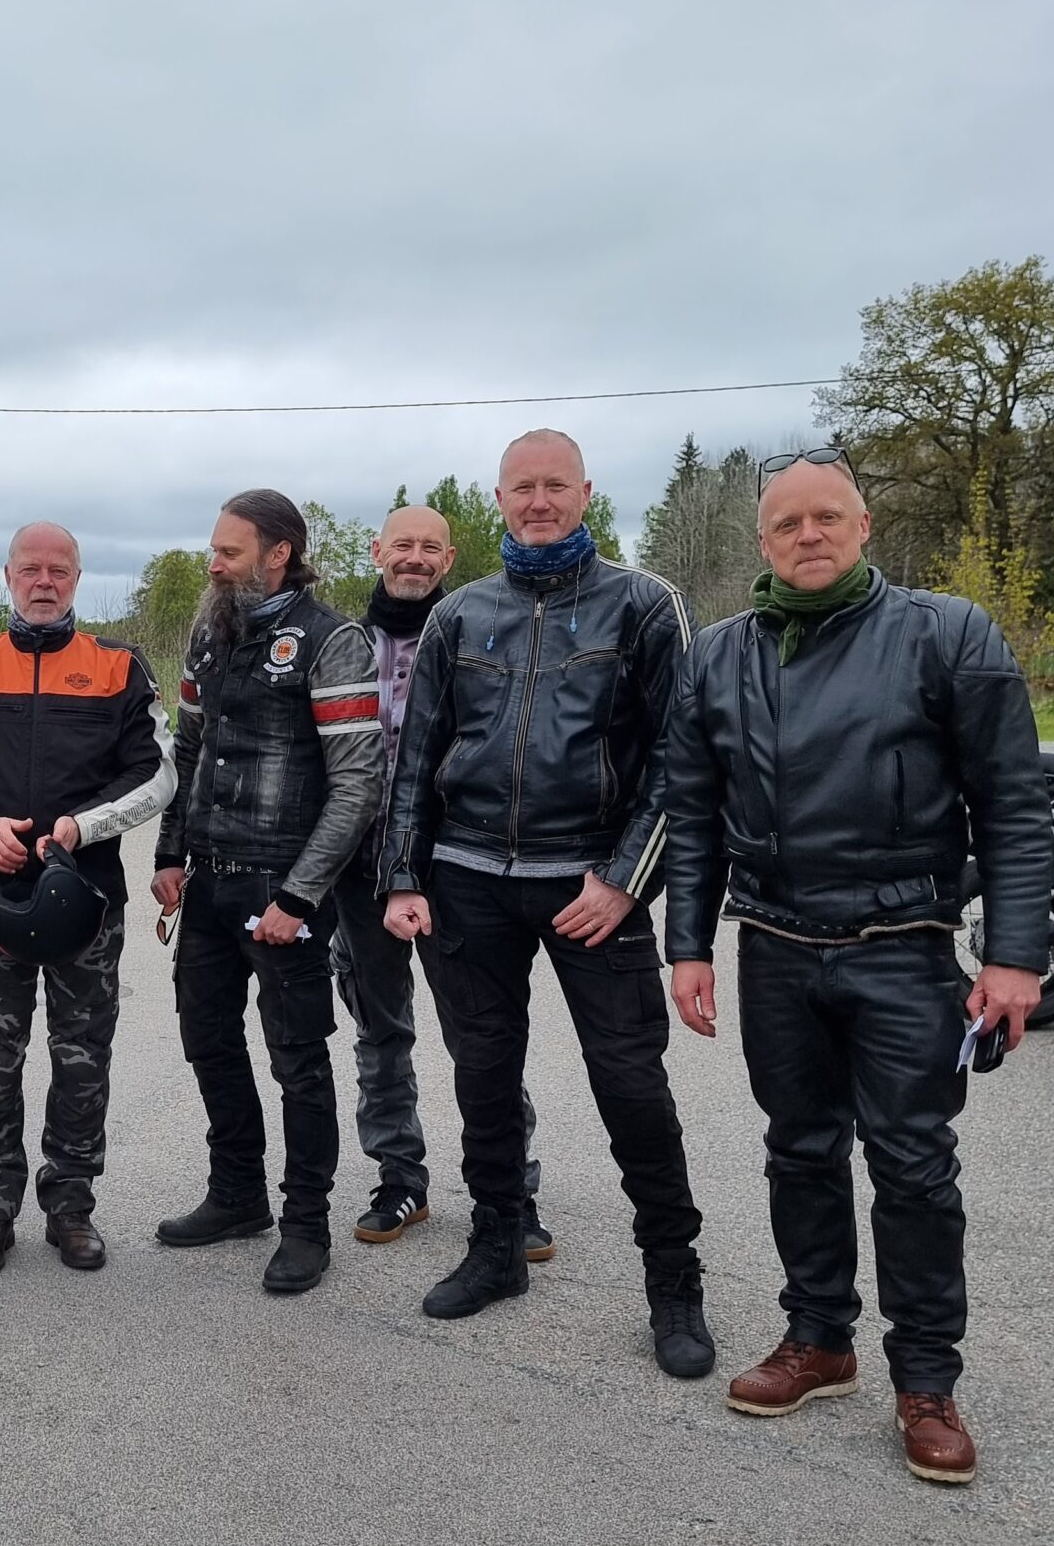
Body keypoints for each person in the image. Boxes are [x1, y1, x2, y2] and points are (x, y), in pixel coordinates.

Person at [663, 449, 1051, 1484]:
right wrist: (688, 942)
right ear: (763, 540)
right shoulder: (717, 656)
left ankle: (926, 1380)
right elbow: (692, 814)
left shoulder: (948, 634)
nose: (809, 535)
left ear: (864, 525)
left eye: (827, 517)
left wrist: (1018, 955)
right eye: (788, 523)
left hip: (903, 946)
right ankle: (818, 1338)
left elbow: (1014, 804)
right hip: (776, 947)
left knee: (914, 1166)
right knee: (798, 1150)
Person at [381, 429, 714, 1378]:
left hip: (590, 884)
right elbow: (416, 755)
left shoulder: (645, 605)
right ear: (500, 499)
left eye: (555, 486)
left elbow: (683, 759)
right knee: (484, 1079)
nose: (539, 501)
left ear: (585, 493)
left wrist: (624, 878)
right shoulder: (459, 615)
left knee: (633, 1087)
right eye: (522, 487)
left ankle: (674, 1282)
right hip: (467, 880)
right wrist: (403, 875)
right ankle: (497, 1246)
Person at [0, 521, 175, 1273]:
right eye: (31, 568)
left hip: (88, 901)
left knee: (82, 1057)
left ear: (78, 578)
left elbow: (156, 772)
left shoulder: (118, 665)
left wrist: (84, 826)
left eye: (59, 569)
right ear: (9, 575)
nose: (45, 581)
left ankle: (71, 1206)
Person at [151, 489, 383, 1296]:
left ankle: (306, 1225)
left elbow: (357, 785)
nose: (213, 565)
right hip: (207, 884)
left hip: (284, 891)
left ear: (279, 553)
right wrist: (170, 853)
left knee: (299, 1062)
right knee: (209, 1043)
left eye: (230, 552)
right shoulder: (209, 632)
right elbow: (188, 750)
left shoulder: (332, 639)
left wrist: (300, 896)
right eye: (213, 550)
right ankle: (237, 1195)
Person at [328, 502, 551, 1256]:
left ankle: (512, 1189)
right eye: (403, 545)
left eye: (430, 547)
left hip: (456, 864)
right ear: (377, 551)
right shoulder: (342, 647)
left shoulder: (483, 636)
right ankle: (399, 1177)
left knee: (482, 1035)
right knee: (380, 1030)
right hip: (360, 868)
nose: (415, 558)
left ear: (449, 559)